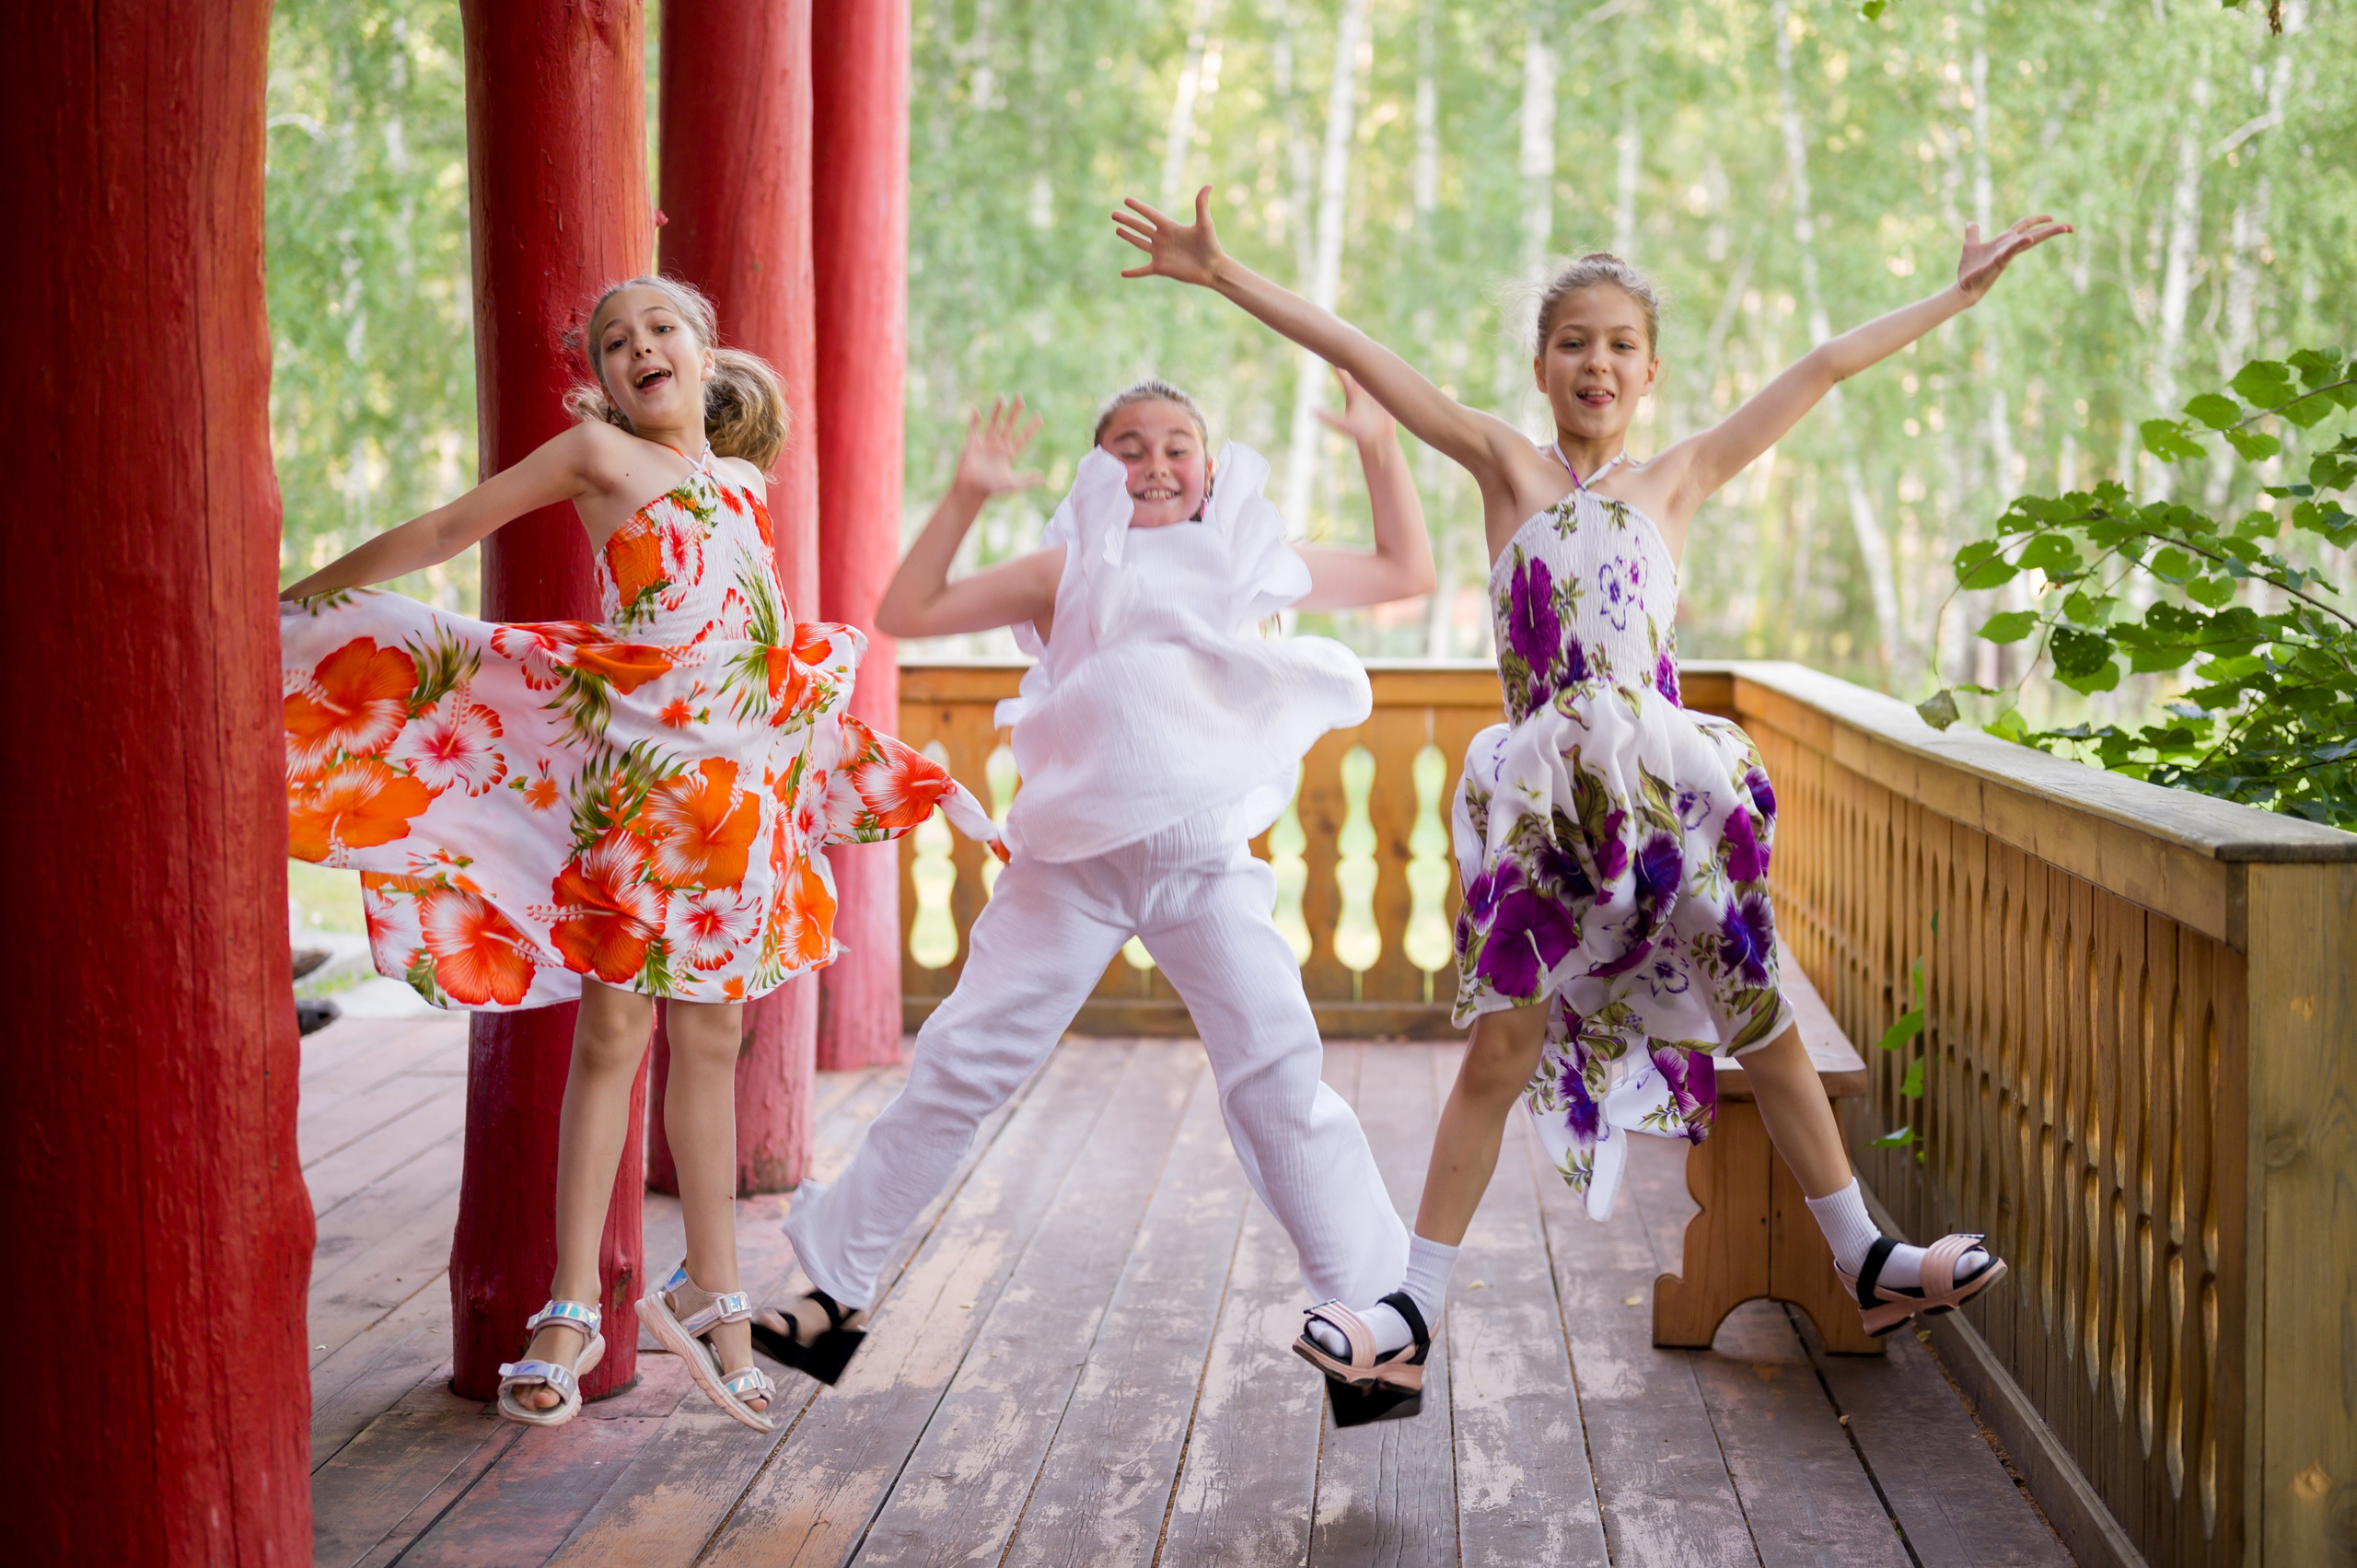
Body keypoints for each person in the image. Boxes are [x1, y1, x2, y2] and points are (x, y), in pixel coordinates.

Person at [1115, 188, 2066, 1420]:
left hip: (1665, 796)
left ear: (1650, 368)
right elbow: (1357, 348)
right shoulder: (1504, 466)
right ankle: (1408, 1311)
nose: (1597, 361)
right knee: (1500, 1047)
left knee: (1759, 1012)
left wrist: (1959, 293)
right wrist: (1226, 270)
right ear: (1541, 365)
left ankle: (1865, 1255)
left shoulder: (1682, 476)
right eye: (1575, 342)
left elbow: (1823, 365)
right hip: (1549, 806)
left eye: (1620, 343)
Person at [279, 275, 989, 1432]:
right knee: (613, 1032)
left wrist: (823, 768)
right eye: (616, 342)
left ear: (707, 354)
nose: (639, 347)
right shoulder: (596, 460)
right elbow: (454, 526)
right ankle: (571, 1302)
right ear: (602, 380)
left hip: (737, 796)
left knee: (713, 1036)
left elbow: (757, 650)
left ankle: (713, 1287)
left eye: (661, 329)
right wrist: (307, 595)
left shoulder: (747, 485)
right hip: (640, 789)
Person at [749, 377, 1435, 1389]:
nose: (1154, 464)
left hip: (1202, 862)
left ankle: (1378, 1328)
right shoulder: (1066, 564)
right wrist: (969, 494)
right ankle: (833, 1289)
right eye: (1127, 446)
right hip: (1071, 867)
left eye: (1176, 446)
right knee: (961, 1059)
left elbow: (1403, 569)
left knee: (1279, 1078)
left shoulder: (1244, 560)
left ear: (1211, 468)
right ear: (1095, 469)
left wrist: (1379, 445)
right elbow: (908, 608)